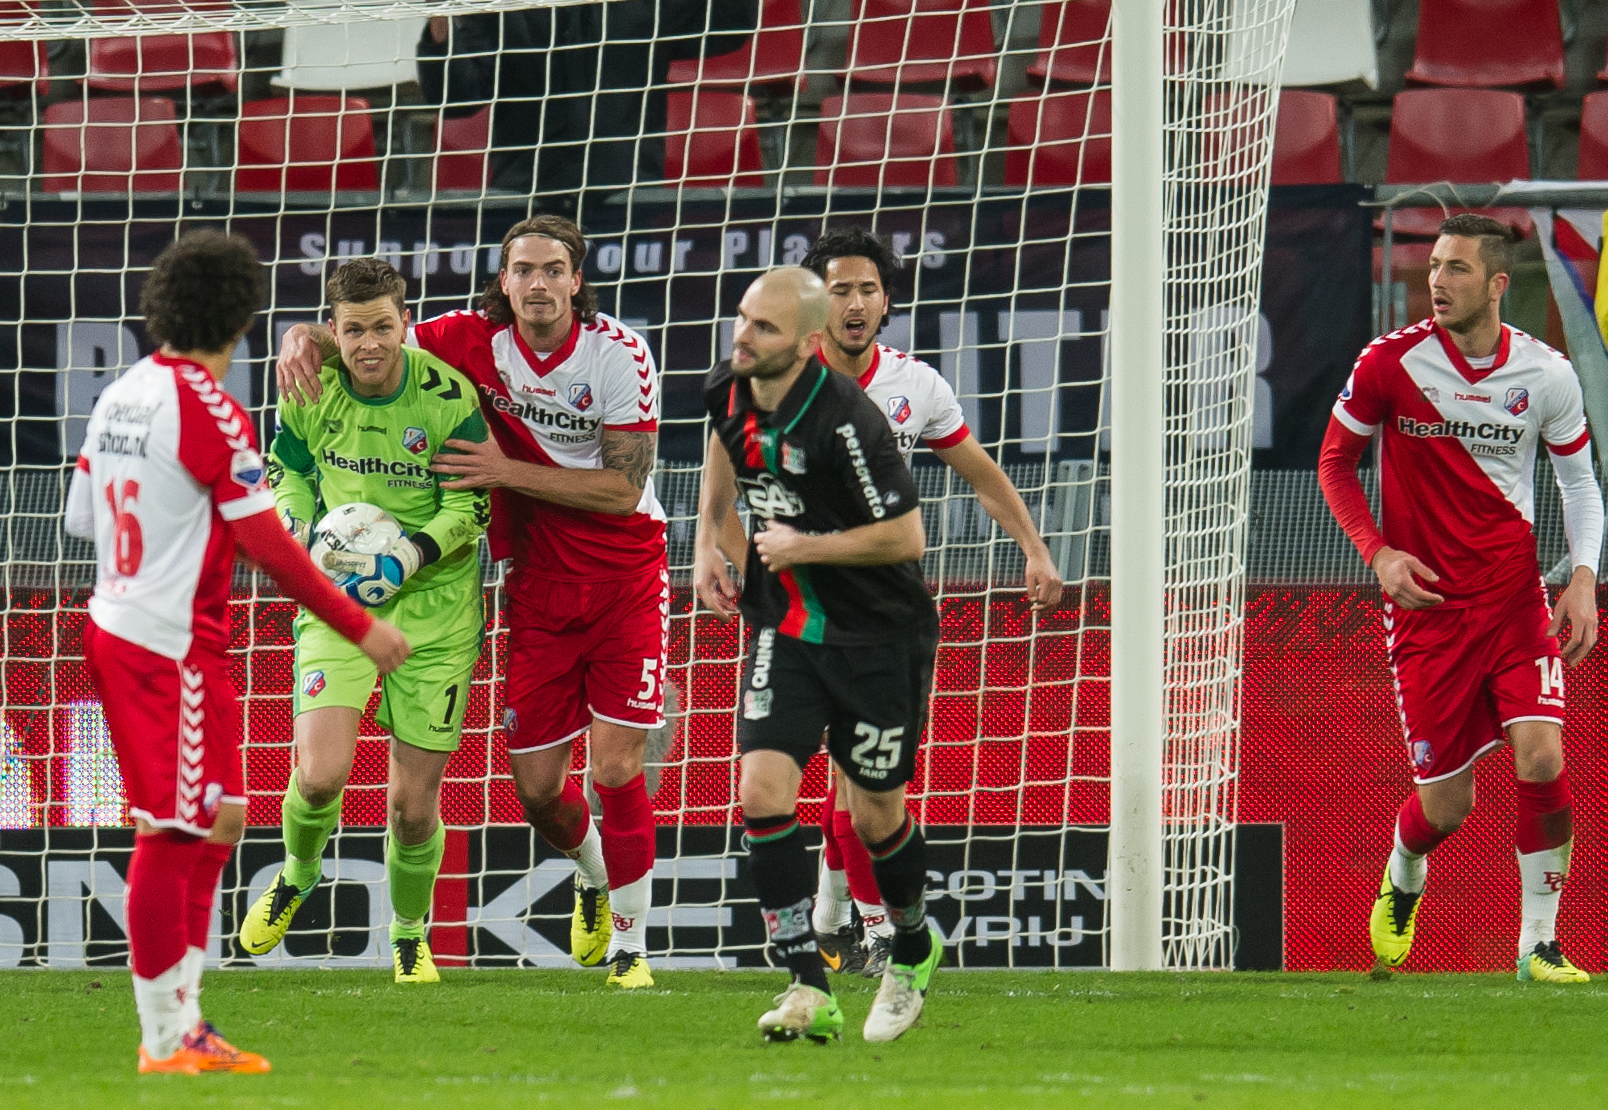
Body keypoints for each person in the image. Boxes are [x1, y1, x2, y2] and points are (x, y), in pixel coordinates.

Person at [275, 216, 667, 990]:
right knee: (539, 792)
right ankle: (593, 876)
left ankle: (631, 949)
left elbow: (624, 489)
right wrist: (300, 338)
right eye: (523, 270)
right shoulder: (467, 340)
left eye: (553, 270)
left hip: (626, 575)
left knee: (616, 769)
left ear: (576, 280)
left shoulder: (618, 355)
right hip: (536, 580)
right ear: (504, 280)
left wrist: (503, 472)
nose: (538, 284)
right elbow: (372, 336)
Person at [64, 231, 410, 1074]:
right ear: (243, 318)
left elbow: (80, 518)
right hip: (166, 645)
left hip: (128, 625)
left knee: (221, 815)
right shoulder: (210, 409)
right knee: (172, 829)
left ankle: (185, 1019)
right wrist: (362, 626)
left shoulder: (123, 393)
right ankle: (165, 1036)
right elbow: (272, 548)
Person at [1318, 214, 1603, 982]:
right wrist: (1377, 554)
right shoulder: (1389, 363)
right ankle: (1403, 871)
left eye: (1456, 269)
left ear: (1497, 283)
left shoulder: (1545, 374)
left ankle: (1537, 946)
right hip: (1427, 614)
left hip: (1513, 603)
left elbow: (1579, 484)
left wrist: (1581, 578)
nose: (1437, 281)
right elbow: (1334, 463)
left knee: (1541, 757)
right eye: (1434, 266)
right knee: (1447, 808)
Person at [791, 227, 1063, 975]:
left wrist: (1034, 548)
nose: (854, 304)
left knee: (863, 773)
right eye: (840, 290)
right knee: (836, 775)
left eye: (867, 290)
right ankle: (864, 924)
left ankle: (843, 919)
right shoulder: (777, 377)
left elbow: (981, 474)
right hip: (799, 601)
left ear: (886, 302)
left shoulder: (916, 387)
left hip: (884, 606)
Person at [696, 266, 941, 1044]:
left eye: (763, 328)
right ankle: (808, 983)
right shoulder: (727, 385)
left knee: (873, 816)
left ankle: (911, 946)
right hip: (789, 626)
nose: (743, 336)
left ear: (805, 344)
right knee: (760, 790)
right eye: (742, 318)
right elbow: (722, 446)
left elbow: (905, 537)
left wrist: (807, 546)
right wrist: (707, 537)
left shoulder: (847, 421)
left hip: (879, 636)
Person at [239, 259, 491, 984]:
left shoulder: (447, 396)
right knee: (320, 777)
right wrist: (298, 525)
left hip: (436, 612)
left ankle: (409, 934)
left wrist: (407, 556)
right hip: (339, 602)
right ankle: (297, 872)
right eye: (353, 330)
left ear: (405, 323)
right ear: (334, 330)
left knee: (411, 807)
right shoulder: (308, 387)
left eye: (383, 327)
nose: (369, 344)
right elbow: (286, 469)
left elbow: (472, 504)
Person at [416, 0, 754, 199]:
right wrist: (439, 20)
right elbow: (456, 99)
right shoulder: (502, 6)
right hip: (528, 194)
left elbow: (728, 26)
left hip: (628, 194)